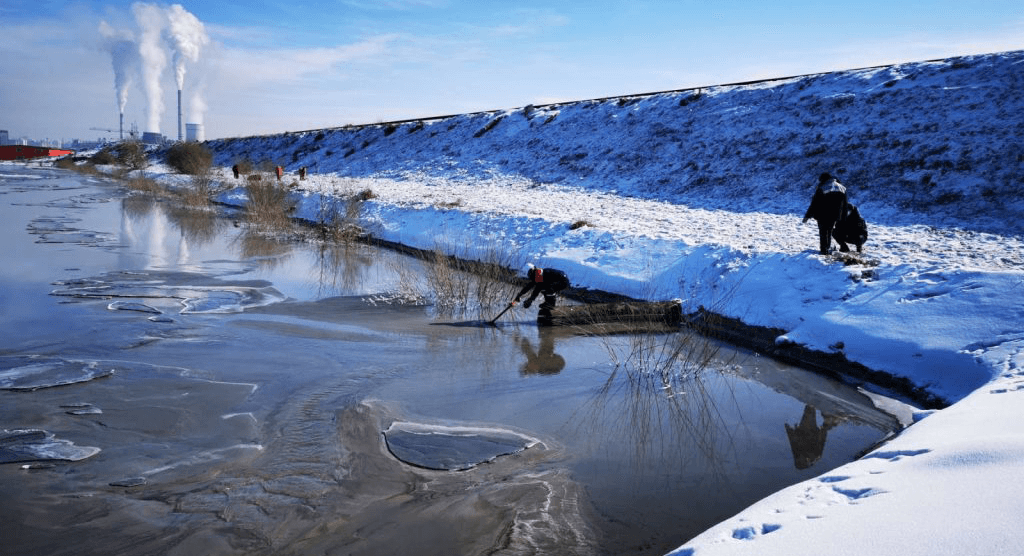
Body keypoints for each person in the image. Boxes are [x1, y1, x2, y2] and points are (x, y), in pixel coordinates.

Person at [802, 172, 848, 255]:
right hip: (835, 214)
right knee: (829, 231)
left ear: (823, 179)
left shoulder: (822, 187)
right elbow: (845, 204)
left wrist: (807, 216)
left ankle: (824, 249)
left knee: (823, 231)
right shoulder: (842, 188)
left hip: (823, 214)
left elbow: (815, 203)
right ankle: (827, 247)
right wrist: (843, 216)